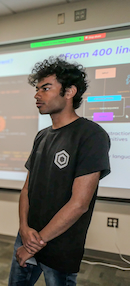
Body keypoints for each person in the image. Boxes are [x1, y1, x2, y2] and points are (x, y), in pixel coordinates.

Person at [8, 57, 111, 286]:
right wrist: (24, 229)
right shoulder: (42, 136)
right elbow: (27, 189)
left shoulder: (92, 135)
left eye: (45, 88)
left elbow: (79, 204)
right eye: (37, 89)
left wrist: (36, 243)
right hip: (27, 237)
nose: (37, 95)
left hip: (60, 245)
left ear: (69, 92)